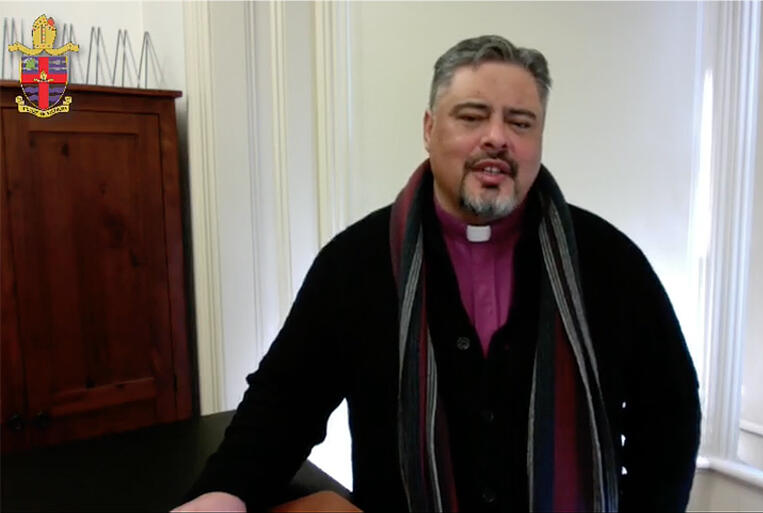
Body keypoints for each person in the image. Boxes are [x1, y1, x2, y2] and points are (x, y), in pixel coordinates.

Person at [174, 35, 701, 512]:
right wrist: (227, 492)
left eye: (520, 122)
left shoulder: (609, 261)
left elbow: (669, 416)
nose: (497, 138)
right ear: (429, 129)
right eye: (471, 117)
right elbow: (284, 403)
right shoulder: (355, 262)